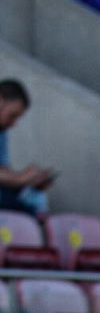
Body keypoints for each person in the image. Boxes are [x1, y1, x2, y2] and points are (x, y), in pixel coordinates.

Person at [0, 75, 55, 211]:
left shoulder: (2, 132)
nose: (14, 123)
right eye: (12, 115)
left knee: (30, 203)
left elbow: (5, 173)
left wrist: (30, 182)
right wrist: (18, 179)